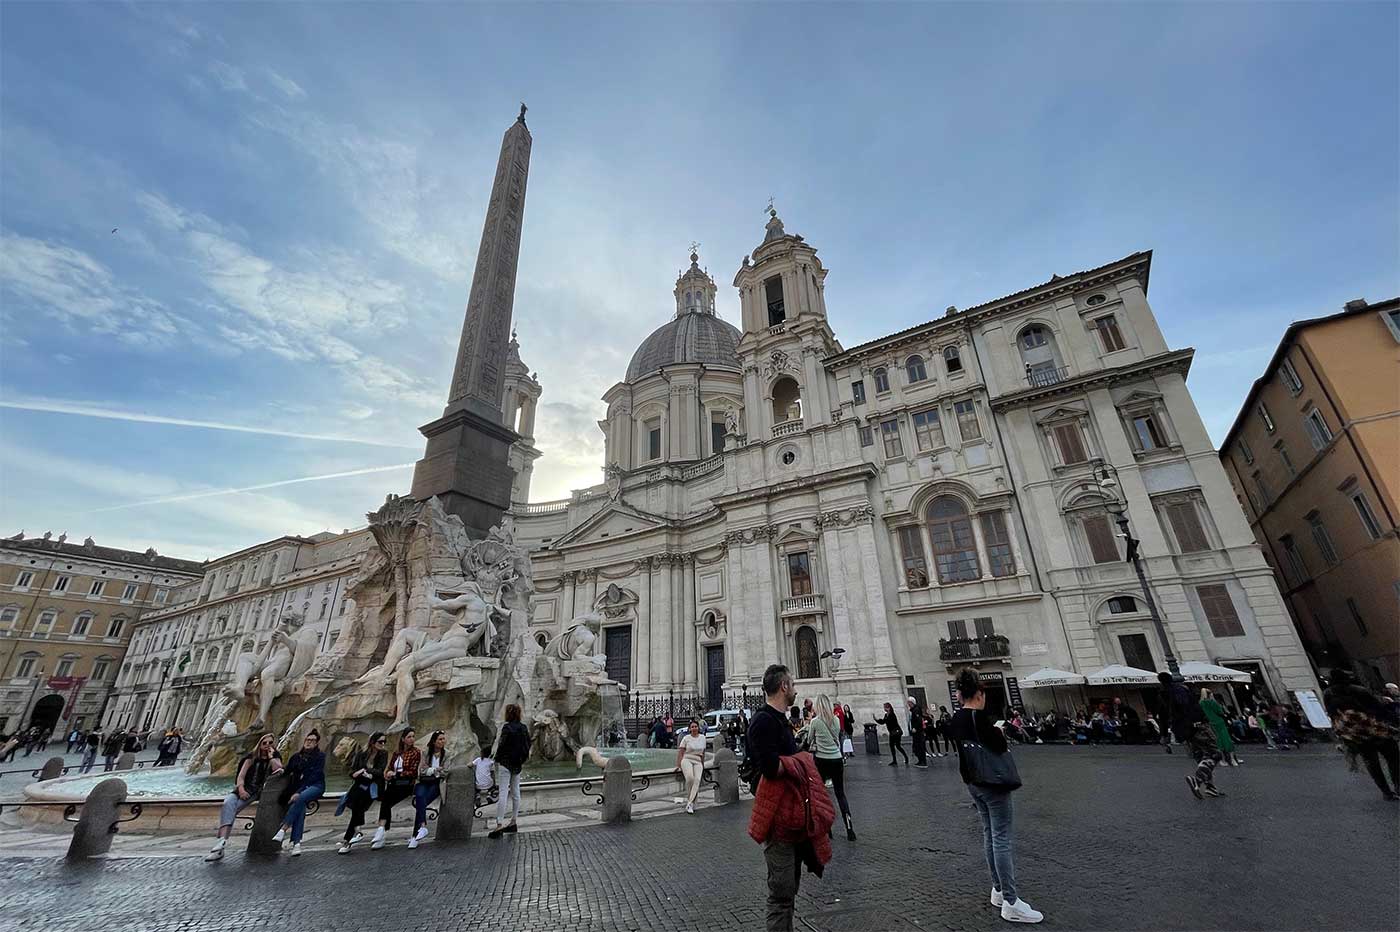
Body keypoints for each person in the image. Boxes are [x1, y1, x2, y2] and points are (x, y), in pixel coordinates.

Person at [946, 669, 1043, 923]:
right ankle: (1011, 902)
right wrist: (999, 732)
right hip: (993, 783)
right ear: (979, 694)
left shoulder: (957, 718)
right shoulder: (979, 718)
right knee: (1001, 839)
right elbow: (999, 747)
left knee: (989, 834)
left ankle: (998, 890)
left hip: (973, 783)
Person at [746, 664, 832, 932]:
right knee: (781, 893)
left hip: (791, 814)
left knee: (788, 889)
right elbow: (770, 767)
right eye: (792, 684)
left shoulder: (780, 720)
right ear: (784, 687)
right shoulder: (763, 721)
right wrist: (801, 762)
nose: (795, 689)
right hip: (778, 820)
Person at [1324, 668, 1400, 800]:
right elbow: (1378, 709)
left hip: (1354, 735)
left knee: (1372, 762)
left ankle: (1386, 792)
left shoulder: (1328, 694)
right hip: (1374, 729)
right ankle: (1398, 785)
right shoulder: (1358, 690)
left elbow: (1332, 715)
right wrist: (1393, 722)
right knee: (1393, 758)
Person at [205, 733, 283, 861]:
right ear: (259, 744)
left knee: (232, 810)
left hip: (256, 792)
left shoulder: (275, 757)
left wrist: (271, 756)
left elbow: (279, 770)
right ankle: (221, 842)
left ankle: (220, 844)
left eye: (270, 743)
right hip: (242, 790)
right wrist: (241, 790)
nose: (267, 745)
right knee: (227, 804)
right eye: (264, 743)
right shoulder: (251, 757)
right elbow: (241, 777)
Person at [1160, 672, 1224, 799]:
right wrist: (1197, 720)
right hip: (1196, 726)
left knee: (1201, 757)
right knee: (1214, 753)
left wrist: (1164, 736)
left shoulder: (1161, 695)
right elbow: (1187, 707)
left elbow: (1162, 716)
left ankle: (1210, 787)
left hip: (1183, 731)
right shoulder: (1180, 691)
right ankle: (1197, 780)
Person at [802, 695, 855, 841]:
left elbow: (809, 740)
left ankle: (828, 829)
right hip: (837, 759)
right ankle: (849, 828)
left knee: (822, 795)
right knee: (840, 794)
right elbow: (836, 736)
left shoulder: (815, 722)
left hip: (822, 760)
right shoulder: (836, 720)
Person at [272, 729, 325, 856]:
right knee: (299, 806)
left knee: (300, 798)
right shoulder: (296, 757)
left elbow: (314, 776)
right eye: (307, 740)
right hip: (299, 790)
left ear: (317, 743)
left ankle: (283, 829)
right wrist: (279, 769)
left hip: (316, 786)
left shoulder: (320, 756)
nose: (309, 742)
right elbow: (287, 770)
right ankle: (297, 844)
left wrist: (299, 791)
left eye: (312, 740)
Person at [337, 732, 386, 854]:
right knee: (356, 805)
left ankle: (348, 839)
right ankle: (357, 832)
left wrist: (365, 770)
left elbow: (380, 771)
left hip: (373, 786)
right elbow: (352, 771)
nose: (383, 744)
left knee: (357, 806)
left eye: (384, 742)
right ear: (373, 742)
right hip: (360, 784)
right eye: (380, 742)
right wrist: (358, 773)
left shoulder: (383, 754)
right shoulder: (362, 754)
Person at [371, 729, 420, 849]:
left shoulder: (416, 752)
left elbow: (413, 772)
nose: (412, 739)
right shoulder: (397, 753)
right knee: (386, 802)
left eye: (413, 736)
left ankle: (381, 832)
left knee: (386, 802)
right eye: (409, 737)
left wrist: (397, 774)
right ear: (403, 739)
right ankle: (381, 830)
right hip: (394, 784)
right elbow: (389, 767)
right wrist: (387, 773)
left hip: (406, 785)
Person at [489, 704, 531, 838]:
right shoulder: (523, 728)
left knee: (503, 793)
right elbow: (528, 745)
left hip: (505, 763)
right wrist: (522, 760)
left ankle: (499, 824)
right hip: (517, 764)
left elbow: (502, 745)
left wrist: (496, 759)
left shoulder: (507, 727)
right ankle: (513, 821)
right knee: (516, 793)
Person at [411, 730, 447, 848]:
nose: (443, 741)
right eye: (440, 739)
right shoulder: (426, 753)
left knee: (421, 803)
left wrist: (431, 770)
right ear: (434, 742)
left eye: (443, 739)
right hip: (424, 782)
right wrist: (435, 770)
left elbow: (446, 772)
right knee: (420, 797)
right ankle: (422, 827)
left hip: (437, 784)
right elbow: (421, 770)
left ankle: (415, 837)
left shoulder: (447, 754)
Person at [676, 719, 708, 814]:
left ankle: (690, 803)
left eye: (695, 726)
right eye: (692, 727)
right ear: (689, 729)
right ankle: (691, 802)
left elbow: (703, 753)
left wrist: (702, 764)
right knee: (690, 778)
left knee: (697, 780)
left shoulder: (703, 738)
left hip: (698, 761)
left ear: (698, 728)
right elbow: (681, 752)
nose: (694, 728)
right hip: (687, 759)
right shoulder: (686, 738)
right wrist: (678, 765)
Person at [1200, 691, 1241, 766]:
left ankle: (1223, 760)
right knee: (1227, 740)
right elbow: (1220, 712)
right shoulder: (1212, 702)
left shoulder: (1201, 703)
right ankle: (1233, 759)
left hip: (1211, 723)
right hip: (1219, 722)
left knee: (1218, 742)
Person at [877, 702, 908, 766]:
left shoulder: (892, 714)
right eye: (885, 707)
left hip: (896, 733)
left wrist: (885, 719)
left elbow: (889, 721)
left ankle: (906, 757)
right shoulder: (886, 715)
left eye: (886, 707)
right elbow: (883, 722)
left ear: (889, 708)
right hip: (891, 733)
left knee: (898, 746)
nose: (885, 709)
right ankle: (894, 760)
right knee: (892, 746)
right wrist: (877, 720)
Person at [907, 697, 928, 767]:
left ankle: (923, 762)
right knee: (917, 746)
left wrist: (915, 727)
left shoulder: (916, 710)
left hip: (918, 731)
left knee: (919, 746)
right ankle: (920, 761)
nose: (908, 704)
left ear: (912, 703)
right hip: (917, 731)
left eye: (909, 703)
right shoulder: (913, 710)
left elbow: (918, 720)